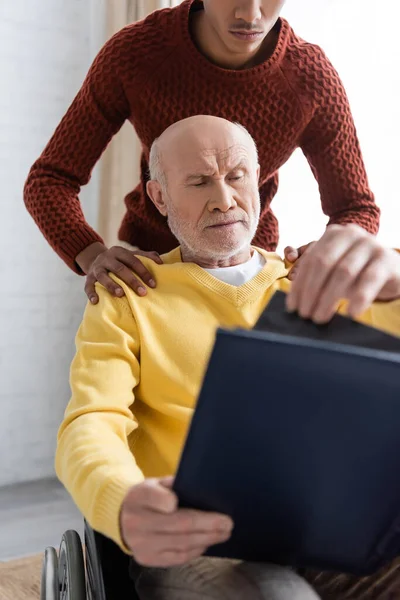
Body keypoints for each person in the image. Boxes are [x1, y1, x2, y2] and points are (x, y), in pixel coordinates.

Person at [56, 116, 400, 600]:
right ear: (159, 198)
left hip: (331, 525)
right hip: (202, 537)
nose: (224, 198)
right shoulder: (128, 297)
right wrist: (119, 498)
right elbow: (89, 422)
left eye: (237, 176)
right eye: (198, 182)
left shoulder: (319, 280)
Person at [24, 0, 380, 304]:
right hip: (147, 276)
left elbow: (356, 209)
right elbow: (49, 181)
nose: (251, 14)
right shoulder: (135, 55)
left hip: (249, 277)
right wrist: (93, 256)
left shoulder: (310, 78)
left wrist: (331, 254)